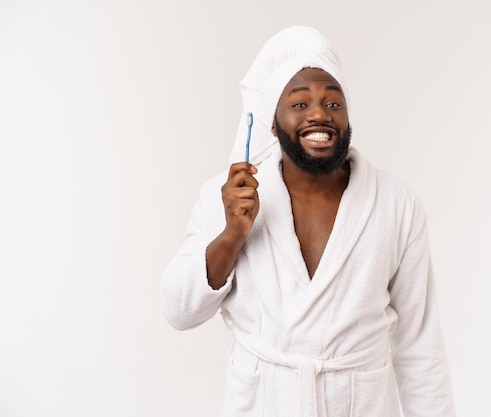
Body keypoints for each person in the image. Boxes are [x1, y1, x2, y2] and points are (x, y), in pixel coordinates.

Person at [161, 26, 455, 417]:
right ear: (272, 121)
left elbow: (420, 344)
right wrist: (232, 234)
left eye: (334, 104)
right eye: (299, 104)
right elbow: (179, 311)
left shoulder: (395, 203)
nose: (319, 113)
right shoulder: (232, 196)